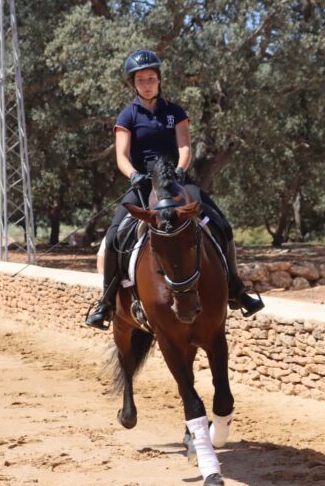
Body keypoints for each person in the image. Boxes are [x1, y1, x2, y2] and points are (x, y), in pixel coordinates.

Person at [85, 49, 264, 329]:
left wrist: (181, 168)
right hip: (144, 183)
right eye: (141, 79)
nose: (147, 83)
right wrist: (133, 175)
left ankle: (236, 289)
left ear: (159, 80)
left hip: (176, 180)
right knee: (115, 236)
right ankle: (105, 303)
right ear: (133, 83)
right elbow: (121, 155)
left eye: (152, 78)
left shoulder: (175, 111)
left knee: (222, 224)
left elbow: (185, 147)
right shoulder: (127, 115)